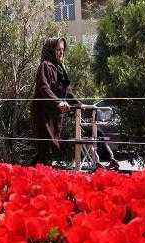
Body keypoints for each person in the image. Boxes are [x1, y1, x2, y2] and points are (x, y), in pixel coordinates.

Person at [31, 37, 119, 170]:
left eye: (62, 50)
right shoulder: (45, 66)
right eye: (57, 50)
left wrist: (80, 104)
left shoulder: (60, 69)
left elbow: (68, 93)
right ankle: (35, 177)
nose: (61, 53)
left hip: (54, 115)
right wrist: (58, 102)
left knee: (51, 148)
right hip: (43, 114)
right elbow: (44, 88)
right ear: (50, 50)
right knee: (46, 147)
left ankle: (32, 174)